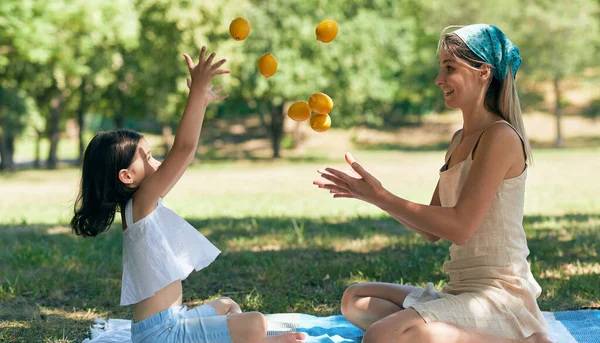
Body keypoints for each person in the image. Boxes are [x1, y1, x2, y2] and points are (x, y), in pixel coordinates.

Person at [313, 24, 553, 343]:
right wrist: (370, 196)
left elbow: (460, 227)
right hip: (459, 293)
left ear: (483, 72)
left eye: (449, 68)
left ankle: (525, 339)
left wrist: (382, 195)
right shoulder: (459, 140)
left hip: (499, 298)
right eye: (441, 68)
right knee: (354, 299)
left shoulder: (500, 137)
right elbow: (432, 229)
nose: (439, 79)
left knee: (381, 335)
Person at [71, 46, 305, 343]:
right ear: (127, 176)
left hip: (169, 322)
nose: (158, 163)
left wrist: (202, 102)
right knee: (257, 323)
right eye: (149, 157)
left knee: (227, 306)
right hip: (164, 335)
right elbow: (183, 150)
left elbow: (181, 152)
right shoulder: (141, 203)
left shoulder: (141, 205)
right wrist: (196, 92)